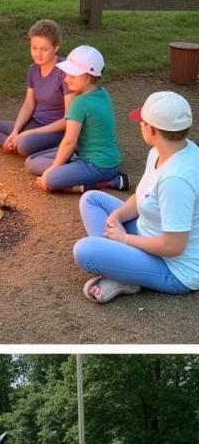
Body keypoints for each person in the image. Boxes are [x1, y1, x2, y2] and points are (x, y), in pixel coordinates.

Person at [74, 91, 199, 302]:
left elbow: (173, 246)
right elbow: (142, 196)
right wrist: (117, 216)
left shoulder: (176, 179)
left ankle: (124, 273)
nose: (139, 124)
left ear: (151, 129)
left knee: (84, 250)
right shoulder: (164, 151)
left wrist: (124, 239)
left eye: (142, 121)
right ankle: (123, 269)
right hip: (148, 234)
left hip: (175, 268)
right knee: (91, 199)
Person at [24, 45, 127, 193]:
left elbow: (69, 142)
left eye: (72, 75)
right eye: (67, 74)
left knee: (50, 180)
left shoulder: (79, 102)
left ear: (88, 76)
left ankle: (107, 182)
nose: (66, 79)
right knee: (31, 162)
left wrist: (52, 171)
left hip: (97, 165)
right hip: (97, 158)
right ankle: (76, 175)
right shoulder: (102, 92)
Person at [0, 19, 72, 157]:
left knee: (25, 144)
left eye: (44, 49)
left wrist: (30, 133)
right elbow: (28, 105)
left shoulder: (65, 72)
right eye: (34, 48)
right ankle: (15, 144)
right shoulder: (33, 69)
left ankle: (29, 146)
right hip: (34, 123)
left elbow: (68, 119)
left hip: (55, 130)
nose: (38, 54)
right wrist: (16, 131)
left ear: (56, 47)